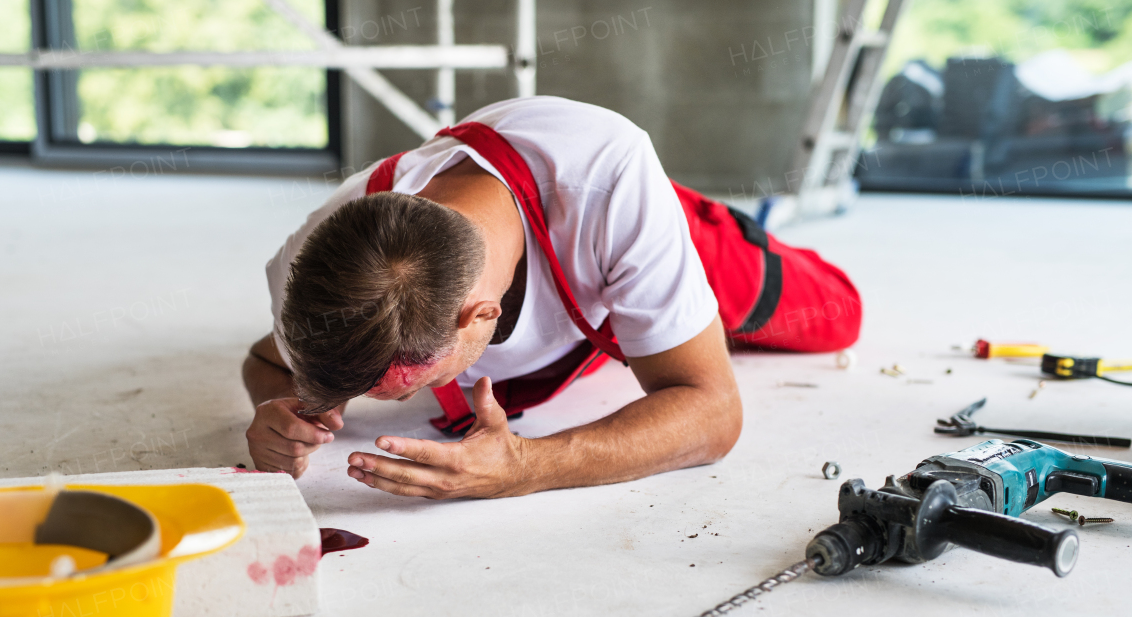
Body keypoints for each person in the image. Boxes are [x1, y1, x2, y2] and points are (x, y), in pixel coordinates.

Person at [243, 97, 860, 499]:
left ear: (481, 315)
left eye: (403, 389)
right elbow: (267, 360)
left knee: (835, 316)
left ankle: (685, 251)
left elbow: (713, 414)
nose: (391, 401)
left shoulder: (609, 181)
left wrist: (523, 467)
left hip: (623, 235)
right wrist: (278, 410)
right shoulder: (306, 267)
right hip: (576, 288)